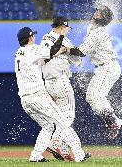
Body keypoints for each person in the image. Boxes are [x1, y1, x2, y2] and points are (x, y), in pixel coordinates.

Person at [15, 27, 90, 162]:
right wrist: (61, 36)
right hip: (37, 95)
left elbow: (44, 58)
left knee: (48, 126)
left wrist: (55, 52)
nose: (35, 38)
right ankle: (77, 154)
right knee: (62, 122)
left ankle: (36, 156)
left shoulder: (19, 53)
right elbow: (51, 50)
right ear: (31, 38)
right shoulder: (33, 49)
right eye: (33, 36)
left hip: (25, 99)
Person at [64, 5, 122, 139]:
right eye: (98, 10)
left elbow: (81, 52)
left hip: (107, 67)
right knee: (91, 97)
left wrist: (65, 50)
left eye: (100, 12)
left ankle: (114, 121)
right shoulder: (92, 28)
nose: (96, 12)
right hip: (103, 68)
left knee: (96, 96)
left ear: (102, 17)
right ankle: (112, 121)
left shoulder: (99, 32)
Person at [40, 16, 82, 160]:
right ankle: (55, 143)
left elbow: (44, 56)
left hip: (47, 84)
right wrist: (68, 49)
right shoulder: (63, 39)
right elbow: (79, 57)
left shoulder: (45, 38)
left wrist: (67, 50)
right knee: (68, 117)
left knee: (60, 120)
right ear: (63, 27)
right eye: (67, 28)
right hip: (60, 81)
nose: (68, 31)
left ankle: (63, 151)